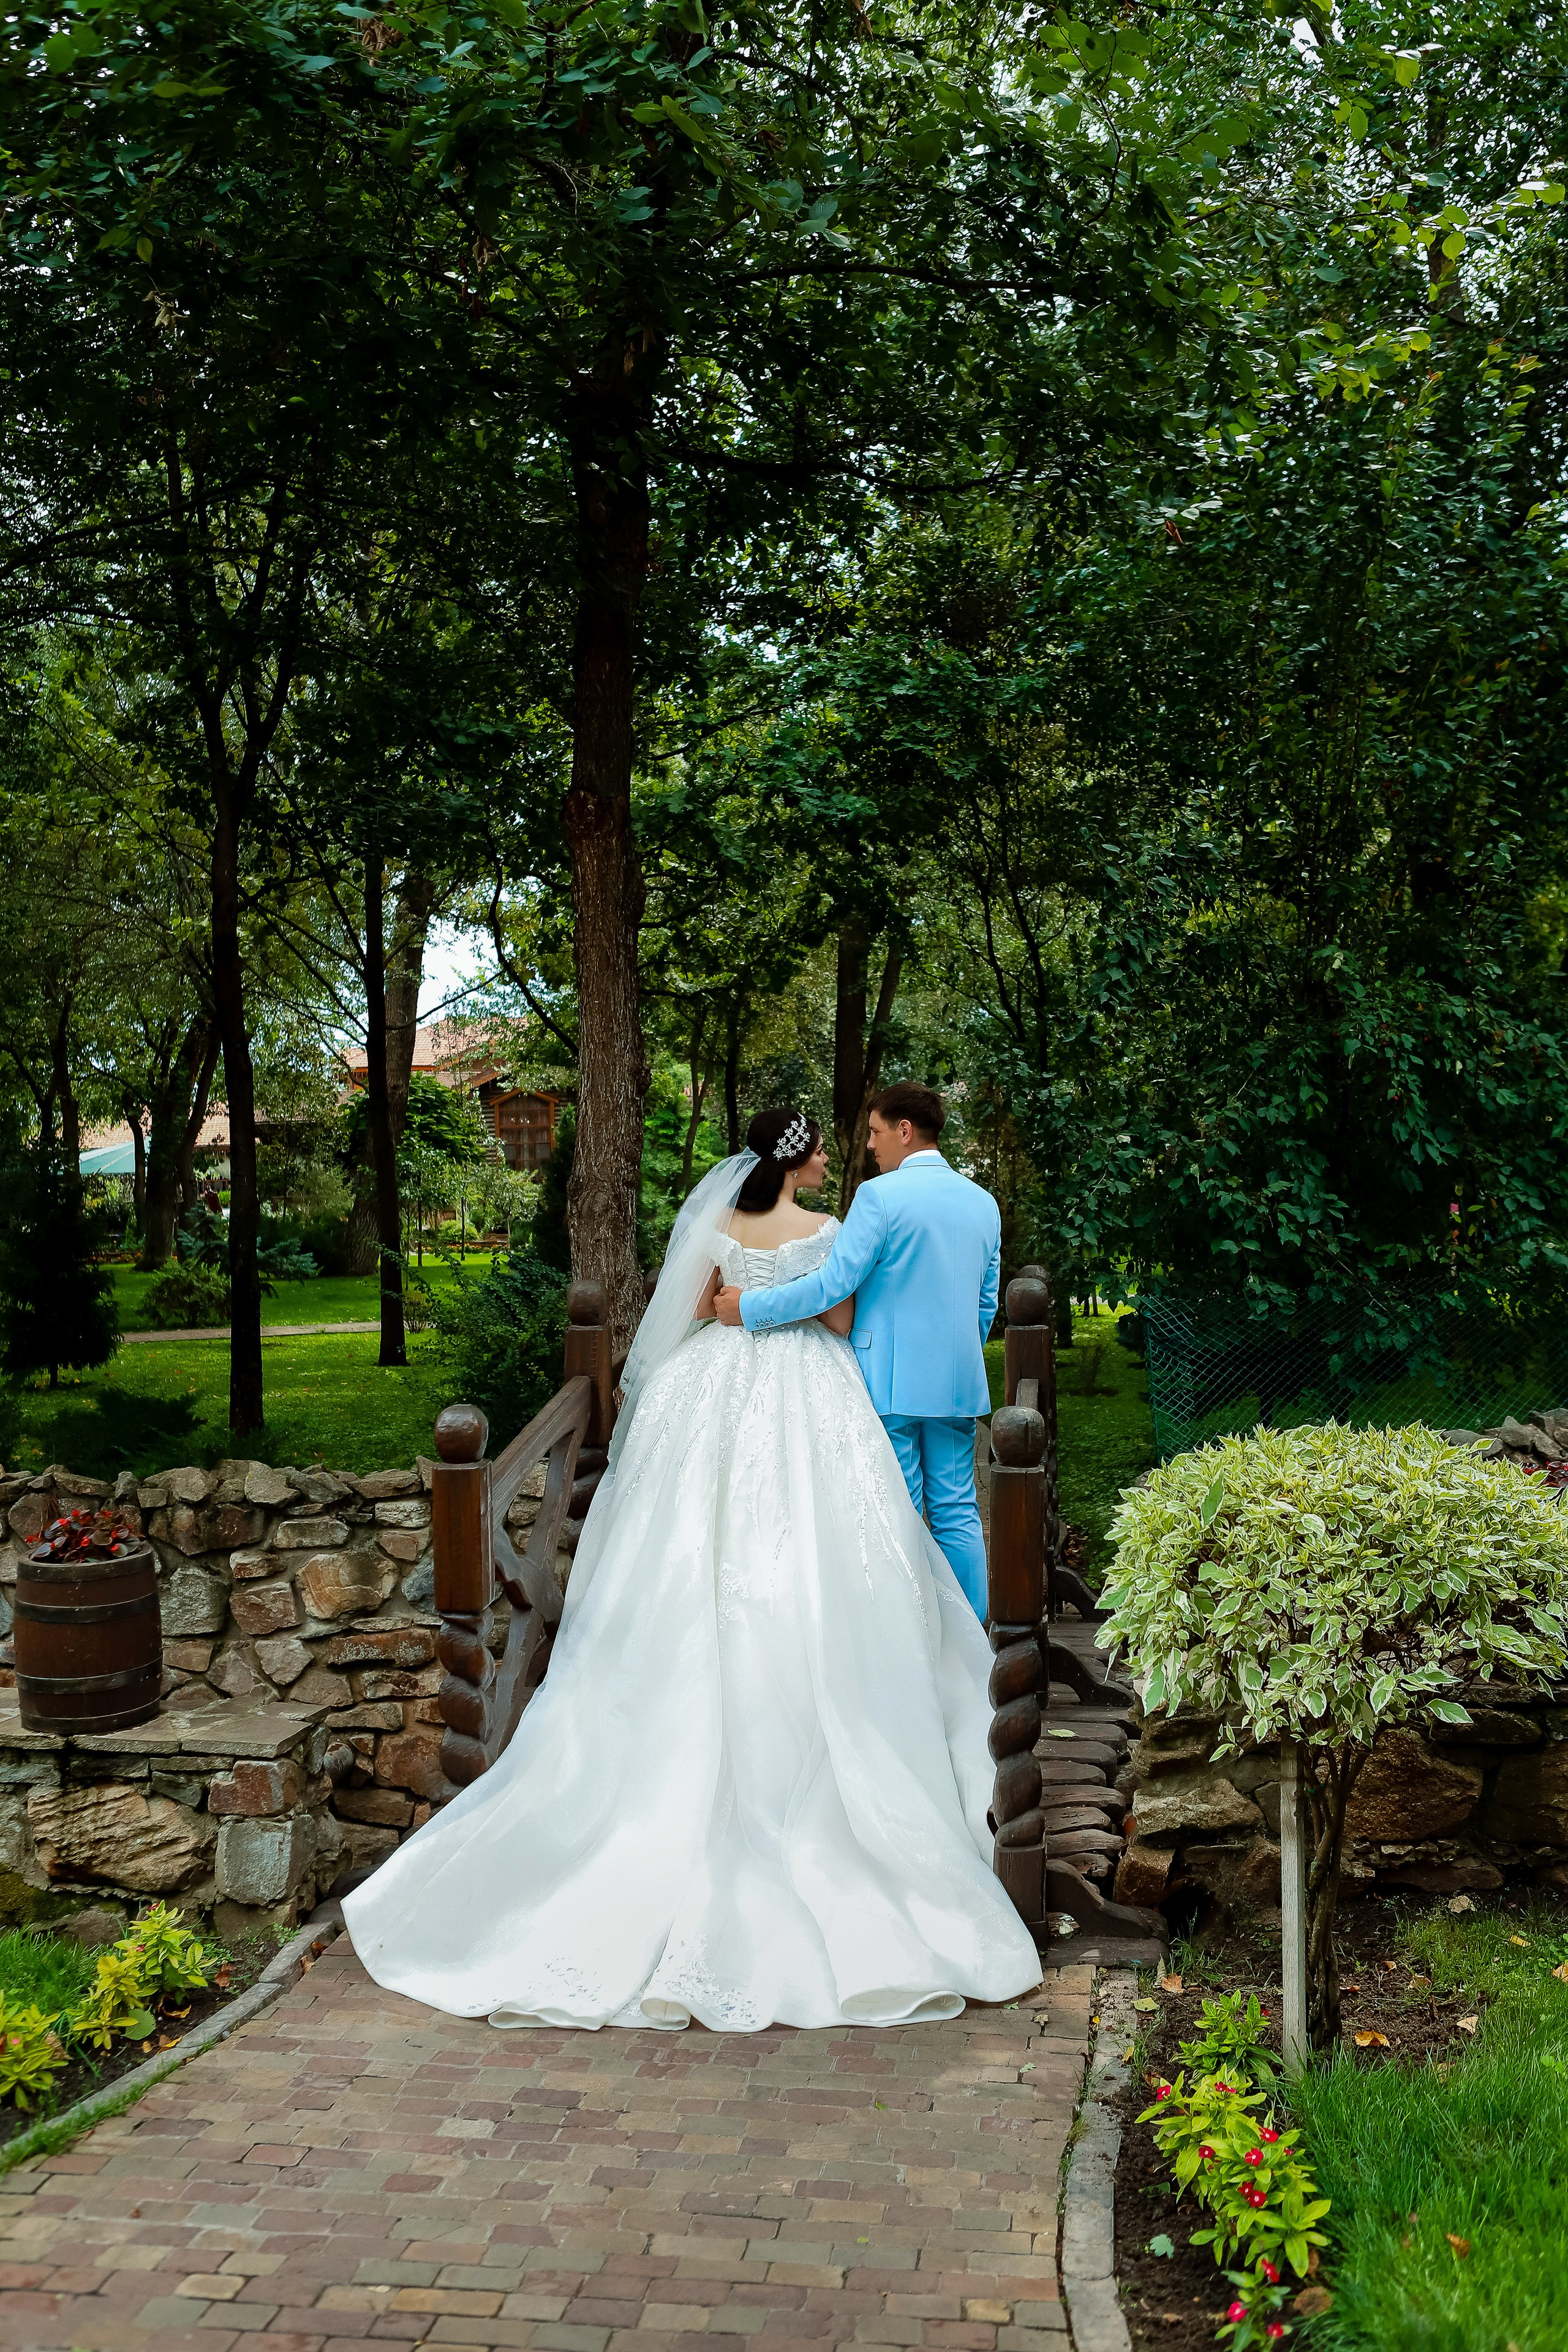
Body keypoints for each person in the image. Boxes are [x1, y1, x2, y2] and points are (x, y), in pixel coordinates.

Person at [343, 1105, 1039, 2034]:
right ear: (799, 1159)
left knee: (688, 1540)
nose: (837, 1154)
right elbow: (839, 1311)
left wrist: (731, 1312)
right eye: (824, 1146)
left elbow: (692, 1304)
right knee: (838, 1546)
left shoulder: (716, 1226)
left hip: (707, 1389)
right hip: (810, 1389)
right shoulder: (829, 1229)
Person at [714, 1082, 998, 1619]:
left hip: (887, 1377)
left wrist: (751, 1305)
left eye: (874, 1132)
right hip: (958, 1380)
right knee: (960, 1511)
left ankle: (918, 1639)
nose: (870, 1145)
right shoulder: (983, 1204)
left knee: (901, 1511)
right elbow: (985, 1302)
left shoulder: (880, 1197)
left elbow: (831, 1285)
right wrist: (957, 1353)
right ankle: (975, 1642)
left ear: (905, 1131)